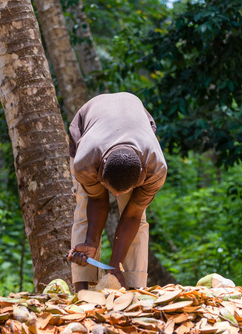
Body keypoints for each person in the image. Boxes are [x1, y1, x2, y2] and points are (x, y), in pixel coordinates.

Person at [67, 92, 167, 291]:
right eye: (111, 190)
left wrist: (115, 264)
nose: (117, 196)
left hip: (136, 120)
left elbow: (132, 215)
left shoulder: (156, 168)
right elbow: (97, 200)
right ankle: (83, 287)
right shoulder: (85, 163)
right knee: (84, 210)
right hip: (90, 124)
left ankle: (132, 287)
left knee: (138, 221)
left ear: (141, 174)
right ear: (100, 172)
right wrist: (90, 242)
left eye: (124, 191)